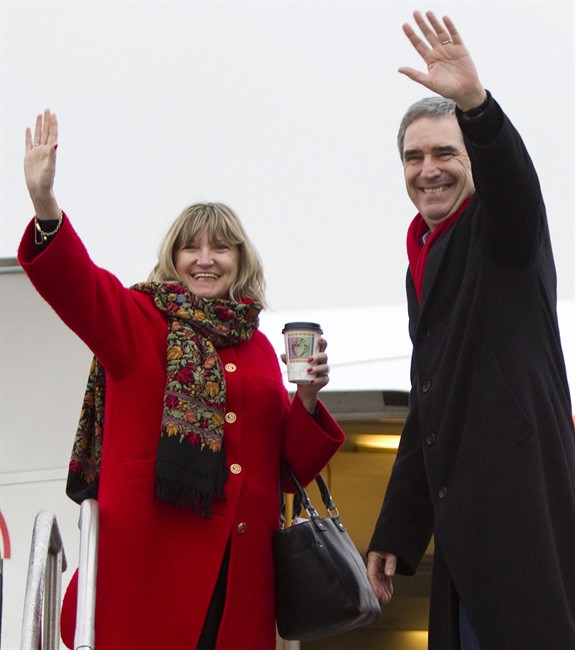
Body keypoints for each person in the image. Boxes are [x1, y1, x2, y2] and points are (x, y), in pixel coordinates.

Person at [18, 110, 345, 650]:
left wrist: (306, 400)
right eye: (192, 247)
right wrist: (45, 205)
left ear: (241, 260)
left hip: (240, 579)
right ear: (173, 258)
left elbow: (286, 471)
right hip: (149, 573)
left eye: (220, 247)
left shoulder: (260, 347)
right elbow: (79, 286)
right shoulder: (141, 321)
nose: (205, 260)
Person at [367, 11, 575, 650]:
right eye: (414, 157)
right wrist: (397, 531)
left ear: (472, 161)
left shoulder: (500, 233)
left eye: (444, 153)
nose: (428, 169)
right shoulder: (422, 265)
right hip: (464, 537)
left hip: (523, 527)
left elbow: (514, 184)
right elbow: (431, 404)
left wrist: (478, 108)